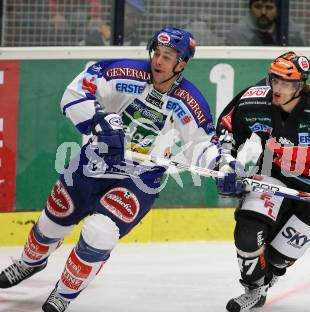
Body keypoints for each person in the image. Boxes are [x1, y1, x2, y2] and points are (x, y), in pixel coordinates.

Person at [0, 27, 218, 312]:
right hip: (94, 162)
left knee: (99, 232)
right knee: (53, 219)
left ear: (182, 63)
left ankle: (64, 292)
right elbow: (74, 93)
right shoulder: (120, 72)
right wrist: (99, 120)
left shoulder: (190, 101)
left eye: (167, 57)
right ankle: (30, 262)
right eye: (157, 53)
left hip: (140, 179)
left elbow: (203, 144)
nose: (158, 61)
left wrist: (222, 167)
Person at [215, 51, 310, 312]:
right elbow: (227, 129)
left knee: (277, 260)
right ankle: (254, 289)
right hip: (273, 176)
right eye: (275, 80)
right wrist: (226, 163)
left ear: (300, 86)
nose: (278, 88)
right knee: (247, 234)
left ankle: (270, 275)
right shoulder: (255, 99)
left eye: (286, 83)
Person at [226, 0, 304, 46]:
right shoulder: (239, 33)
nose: (263, 12)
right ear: (250, 9)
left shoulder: (292, 33)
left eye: (269, 7)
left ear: (278, 11)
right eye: (258, 7)